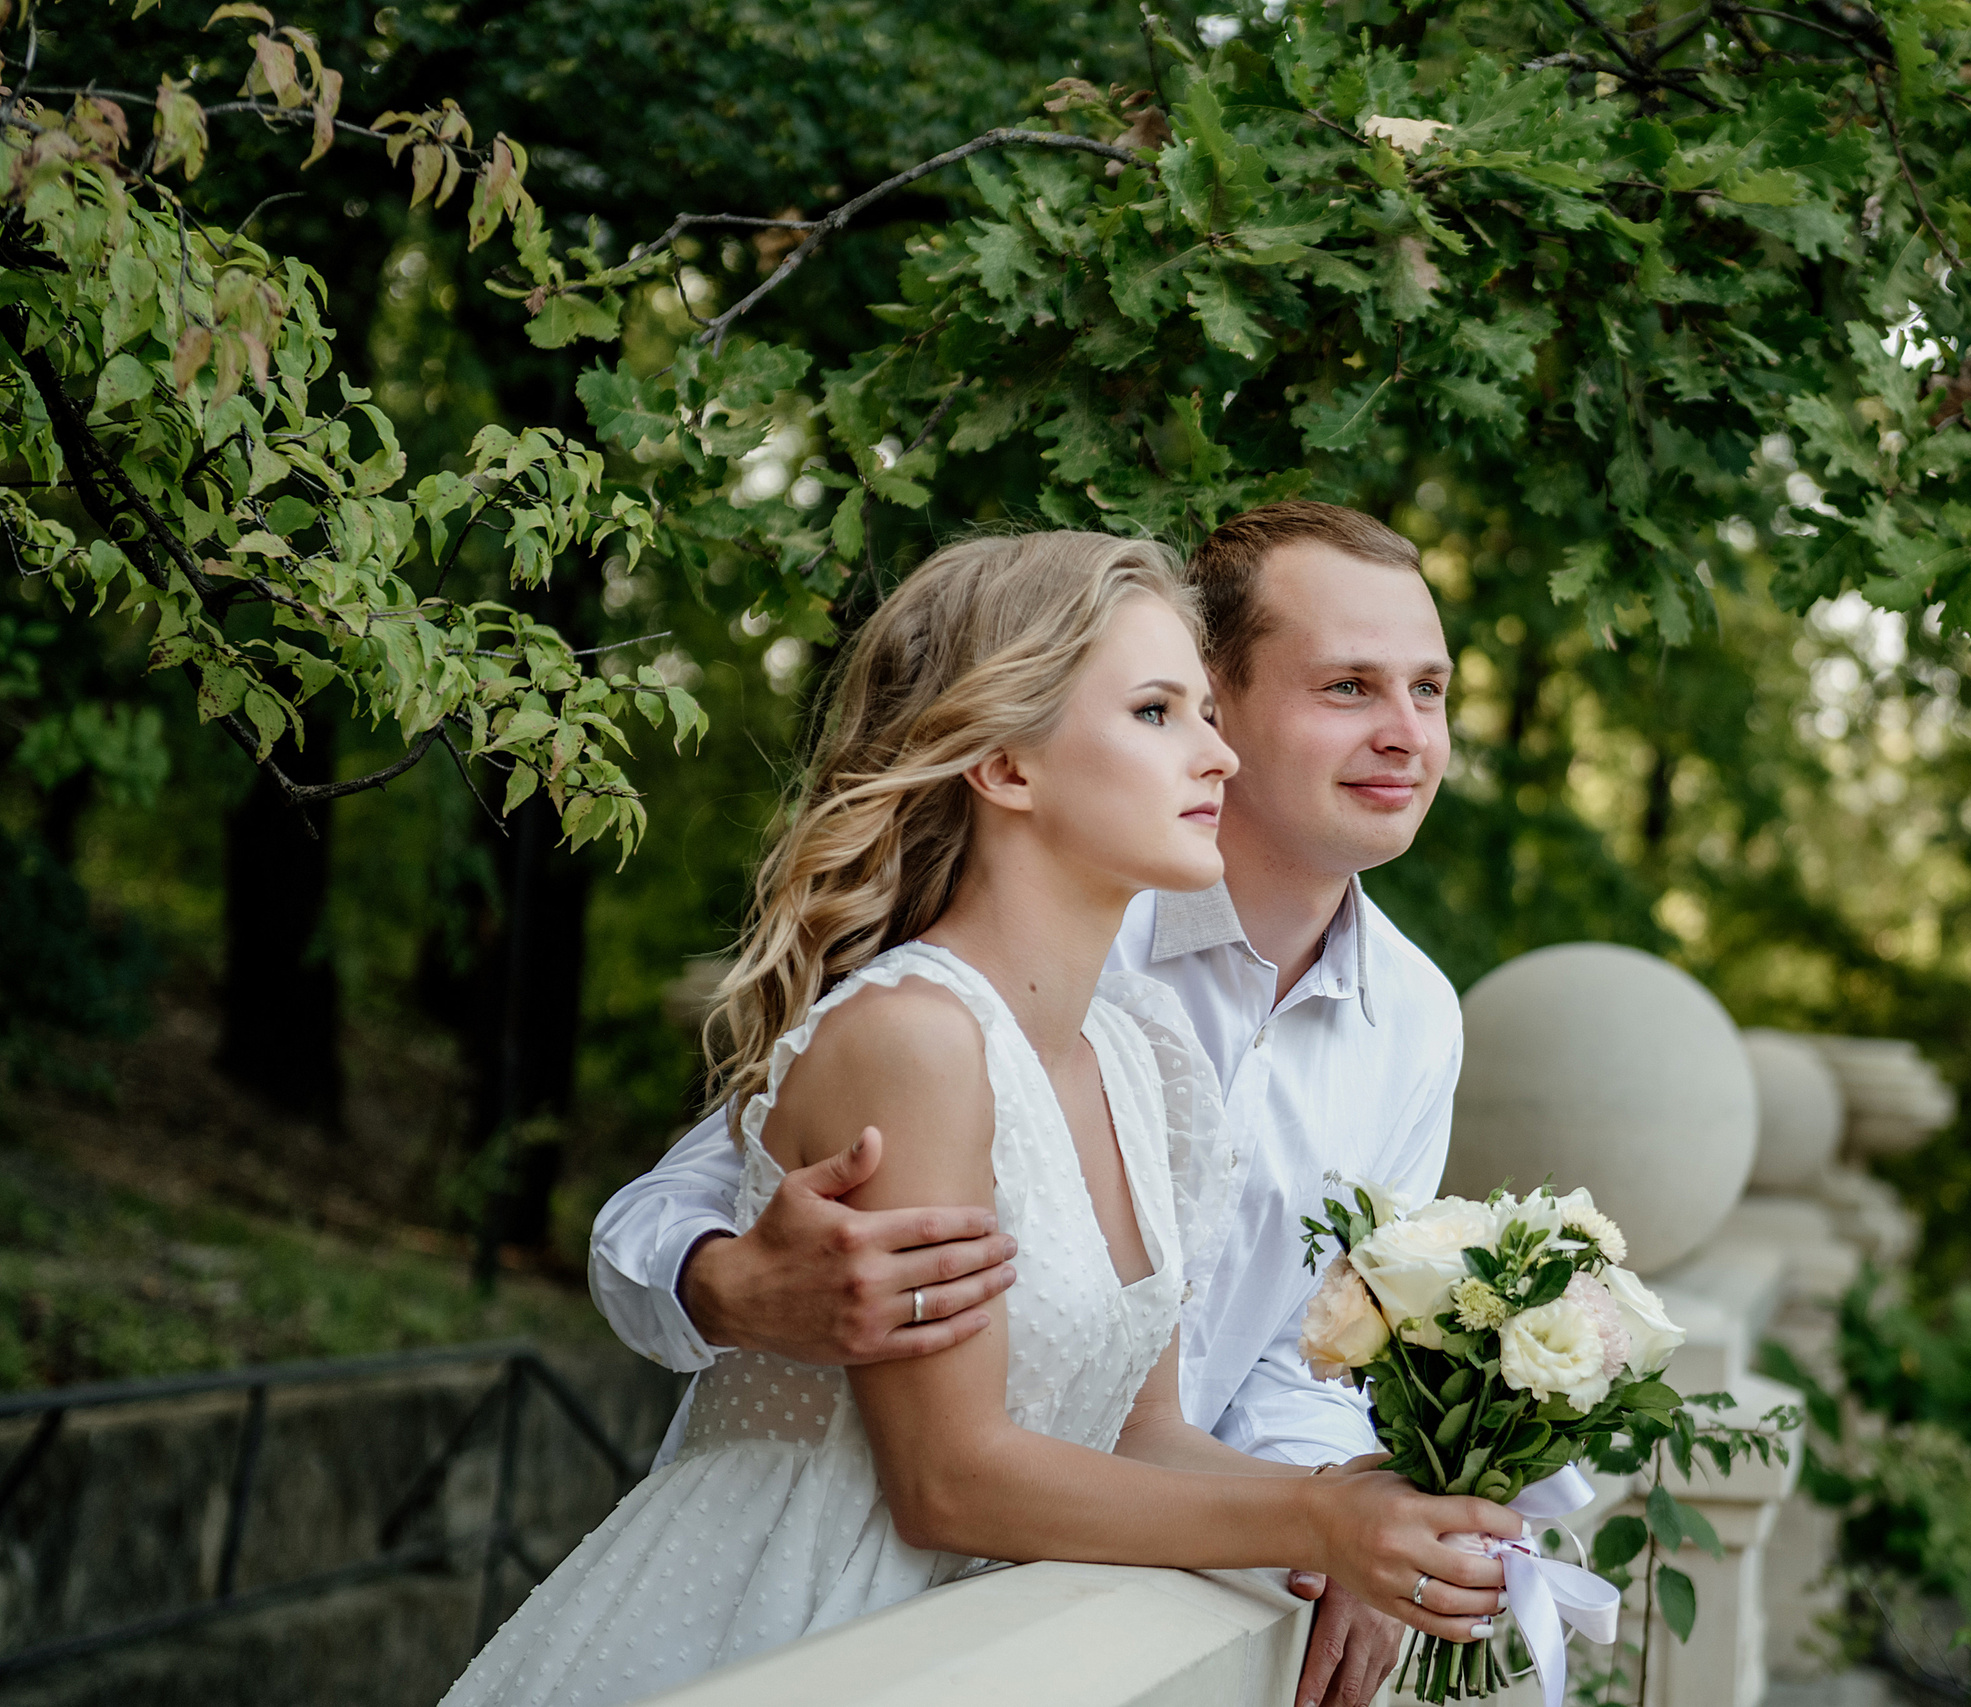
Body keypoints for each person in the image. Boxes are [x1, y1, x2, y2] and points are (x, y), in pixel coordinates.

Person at [442, 532, 1514, 1707]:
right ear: (1006, 765)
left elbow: (1153, 1422)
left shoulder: (1151, 1044)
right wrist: (729, 1283)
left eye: (1429, 689)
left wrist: (1365, 1511)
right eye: (1164, 712)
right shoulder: (917, 1032)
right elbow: (939, 1472)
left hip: (1057, 1618)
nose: (1215, 756)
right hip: (812, 1616)